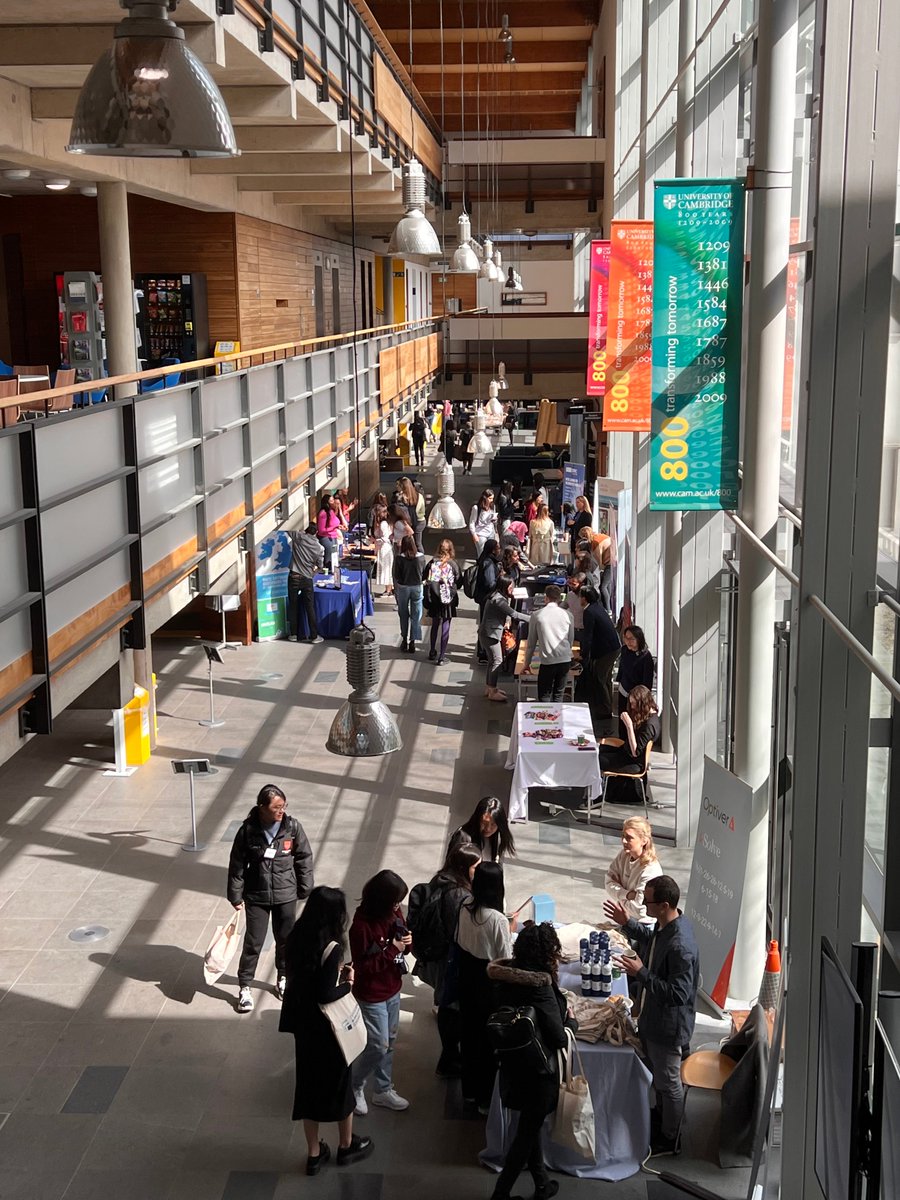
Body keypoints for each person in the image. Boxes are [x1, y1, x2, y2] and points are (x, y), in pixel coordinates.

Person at [279, 887, 374, 1175]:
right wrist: (348, 983)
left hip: (304, 1027)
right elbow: (325, 994)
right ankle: (346, 1144)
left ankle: (313, 1153)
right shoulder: (332, 949)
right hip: (328, 1031)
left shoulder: (296, 937)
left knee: (308, 1088)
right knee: (340, 1087)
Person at [604, 876, 700, 1154]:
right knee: (660, 1077)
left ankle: (671, 1139)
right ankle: (662, 1117)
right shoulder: (668, 924)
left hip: (667, 1028)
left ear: (664, 905)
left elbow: (678, 994)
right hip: (653, 1018)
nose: (644, 905)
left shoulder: (681, 946)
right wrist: (628, 923)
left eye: (648, 901)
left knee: (669, 1083)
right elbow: (653, 940)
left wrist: (641, 973)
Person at [486, 923, 575, 1200]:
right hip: (540, 1070)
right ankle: (500, 1193)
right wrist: (571, 1021)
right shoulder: (540, 986)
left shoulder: (503, 978)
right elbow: (558, 1037)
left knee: (529, 1124)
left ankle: (542, 1184)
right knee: (525, 1135)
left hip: (513, 1064)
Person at [227, 784, 314, 1013]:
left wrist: (305, 887)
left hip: (286, 894)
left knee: (286, 940)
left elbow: (304, 857)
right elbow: (237, 865)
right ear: (262, 807)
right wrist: (235, 895)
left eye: (283, 806)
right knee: (253, 942)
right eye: (276, 807)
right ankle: (245, 986)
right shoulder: (247, 831)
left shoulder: (292, 827)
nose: (281, 811)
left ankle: (283, 977)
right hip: (257, 895)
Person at [411, 843, 482, 1077]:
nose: (479, 871)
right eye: (476, 867)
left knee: (446, 1001)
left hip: (437, 952)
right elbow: (458, 931)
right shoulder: (459, 894)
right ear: (464, 867)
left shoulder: (441, 879)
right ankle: (449, 1058)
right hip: (448, 957)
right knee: (451, 1006)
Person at [350, 869, 412, 1114]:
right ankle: (355, 1085)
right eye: (395, 901)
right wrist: (393, 950)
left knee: (390, 1041)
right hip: (371, 994)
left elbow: (402, 942)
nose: (398, 907)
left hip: (392, 987)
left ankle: (383, 1089)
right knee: (378, 1044)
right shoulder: (361, 927)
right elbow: (363, 967)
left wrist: (406, 944)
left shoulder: (393, 913)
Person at [456, 862, 513, 1113]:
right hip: (489, 983)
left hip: (466, 976)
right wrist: (510, 929)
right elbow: (505, 958)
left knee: (469, 1036)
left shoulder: (464, 906)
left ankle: (469, 1091)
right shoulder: (497, 919)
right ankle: (485, 1098)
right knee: (488, 1041)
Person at [598, 684, 661, 797]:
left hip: (633, 762)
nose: (632, 707)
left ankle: (595, 794)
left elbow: (635, 752)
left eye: (633, 703)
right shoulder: (650, 716)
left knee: (596, 759)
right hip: (625, 753)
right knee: (596, 750)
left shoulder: (649, 726)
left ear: (641, 703)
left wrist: (629, 726)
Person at [479, 574, 530, 702]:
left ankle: (490, 688)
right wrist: (533, 618)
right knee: (497, 660)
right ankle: (492, 691)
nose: (512, 589)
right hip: (490, 634)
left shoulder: (497, 596)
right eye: (510, 587)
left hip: (488, 633)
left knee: (492, 661)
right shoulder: (499, 600)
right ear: (504, 586)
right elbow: (514, 614)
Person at [576, 584, 621, 731]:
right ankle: (607, 706)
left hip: (606, 650)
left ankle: (605, 709)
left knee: (600, 677)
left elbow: (588, 636)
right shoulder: (597, 607)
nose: (579, 599)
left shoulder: (589, 611)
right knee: (605, 678)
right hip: (613, 647)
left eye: (581, 596)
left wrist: (584, 654)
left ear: (585, 598)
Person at [605, 817, 663, 922]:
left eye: (629, 838)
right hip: (625, 919)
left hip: (643, 924)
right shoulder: (623, 855)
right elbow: (608, 883)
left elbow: (640, 910)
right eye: (623, 836)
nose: (623, 841)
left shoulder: (650, 870)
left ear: (644, 841)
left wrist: (619, 891)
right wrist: (628, 895)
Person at [523, 584, 574, 701]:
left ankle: (545, 713)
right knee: (558, 695)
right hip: (564, 660)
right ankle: (558, 713)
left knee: (544, 695)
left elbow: (531, 643)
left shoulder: (537, 615)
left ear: (546, 598)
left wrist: (527, 664)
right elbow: (570, 639)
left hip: (547, 662)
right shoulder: (568, 615)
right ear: (559, 598)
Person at [423, 538, 461, 664]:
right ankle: (442, 656)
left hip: (434, 598)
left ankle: (432, 650)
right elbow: (459, 581)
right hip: (447, 599)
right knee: (446, 625)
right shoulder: (453, 564)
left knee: (435, 624)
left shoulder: (432, 562)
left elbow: (425, 576)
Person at [447, 795, 517, 863]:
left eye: (493, 824)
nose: (488, 828)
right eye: (484, 823)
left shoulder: (498, 838)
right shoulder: (463, 837)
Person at [288, 522, 325, 644]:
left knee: (293, 605)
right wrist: (313, 574)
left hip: (293, 576)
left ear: (306, 530)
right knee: (310, 607)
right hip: (307, 578)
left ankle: (293, 634)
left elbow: (287, 527)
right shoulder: (320, 548)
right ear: (316, 533)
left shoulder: (298, 537)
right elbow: (320, 566)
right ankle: (314, 636)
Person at [392, 534, 424, 653]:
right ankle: (413, 641)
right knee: (416, 615)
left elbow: (396, 574)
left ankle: (404, 639)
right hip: (417, 587)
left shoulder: (399, 558)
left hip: (403, 587)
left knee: (403, 613)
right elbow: (424, 572)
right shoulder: (420, 557)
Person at [473, 539, 503, 660]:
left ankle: (482, 650)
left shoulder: (487, 560)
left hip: (484, 597)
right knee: (485, 625)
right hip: (487, 598)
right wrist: (500, 579)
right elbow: (490, 583)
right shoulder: (489, 563)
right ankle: (483, 652)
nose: (499, 550)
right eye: (498, 548)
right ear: (493, 550)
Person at [617, 625, 655, 713]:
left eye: (631, 639)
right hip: (623, 690)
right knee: (622, 716)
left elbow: (647, 682)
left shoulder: (646, 657)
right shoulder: (624, 650)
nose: (628, 641)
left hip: (637, 697)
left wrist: (641, 698)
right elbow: (622, 668)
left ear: (639, 639)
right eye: (626, 638)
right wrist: (619, 680)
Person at [469, 489, 499, 556]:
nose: (491, 500)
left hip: (491, 532)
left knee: (491, 553)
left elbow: (493, 520)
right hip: (481, 533)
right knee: (482, 554)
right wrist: (474, 534)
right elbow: (472, 523)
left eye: (492, 498)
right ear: (485, 498)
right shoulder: (476, 508)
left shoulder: (493, 506)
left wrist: (494, 520)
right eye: (490, 498)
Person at [373, 503, 394, 596]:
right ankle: (389, 589)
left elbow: (384, 538)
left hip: (384, 548)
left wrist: (374, 540)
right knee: (387, 568)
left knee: (386, 569)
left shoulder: (383, 524)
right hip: (383, 547)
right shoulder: (384, 523)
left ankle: (389, 590)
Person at [316, 494, 342, 568]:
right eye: (331, 501)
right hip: (326, 538)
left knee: (334, 559)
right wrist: (333, 527)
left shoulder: (331, 511)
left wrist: (338, 526)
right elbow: (321, 530)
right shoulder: (323, 513)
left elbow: (334, 523)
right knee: (328, 560)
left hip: (333, 537)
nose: (334, 502)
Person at [527, 502, 557, 567]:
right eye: (547, 511)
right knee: (542, 564)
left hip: (539, 546)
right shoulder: (549, 522)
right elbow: (552, 536)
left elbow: (530, 536)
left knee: (538, 564)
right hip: (543, 547)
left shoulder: (533, 522)